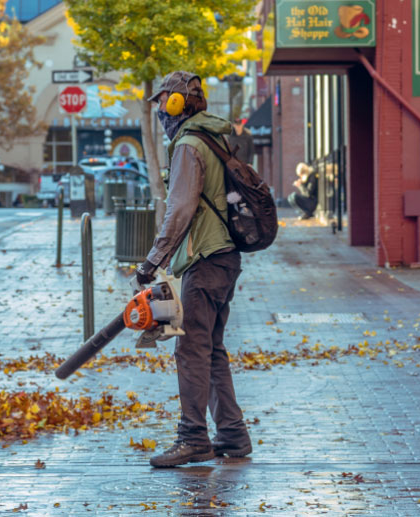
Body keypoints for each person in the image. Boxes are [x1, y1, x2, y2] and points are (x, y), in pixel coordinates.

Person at [134, 71, 252, 467]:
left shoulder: (188, 144)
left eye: (162, 104)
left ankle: (193, 438)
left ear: (176, 103)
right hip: (225, 258)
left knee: (191, 349)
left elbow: (180, 208)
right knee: (211, 347)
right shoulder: (213, 137)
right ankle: (232, 435)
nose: (160, 114)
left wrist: (154, 259)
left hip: (207, 259)